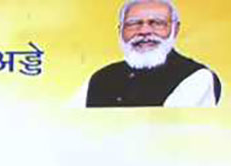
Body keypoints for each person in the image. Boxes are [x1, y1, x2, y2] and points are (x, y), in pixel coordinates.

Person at [85, 0, 221, 108]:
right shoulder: (101, 78)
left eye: (157, 23)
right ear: (120, 30)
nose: (144, 31)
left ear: (175, 29)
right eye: (133, 24)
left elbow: (170, 128)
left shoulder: (197, 77)